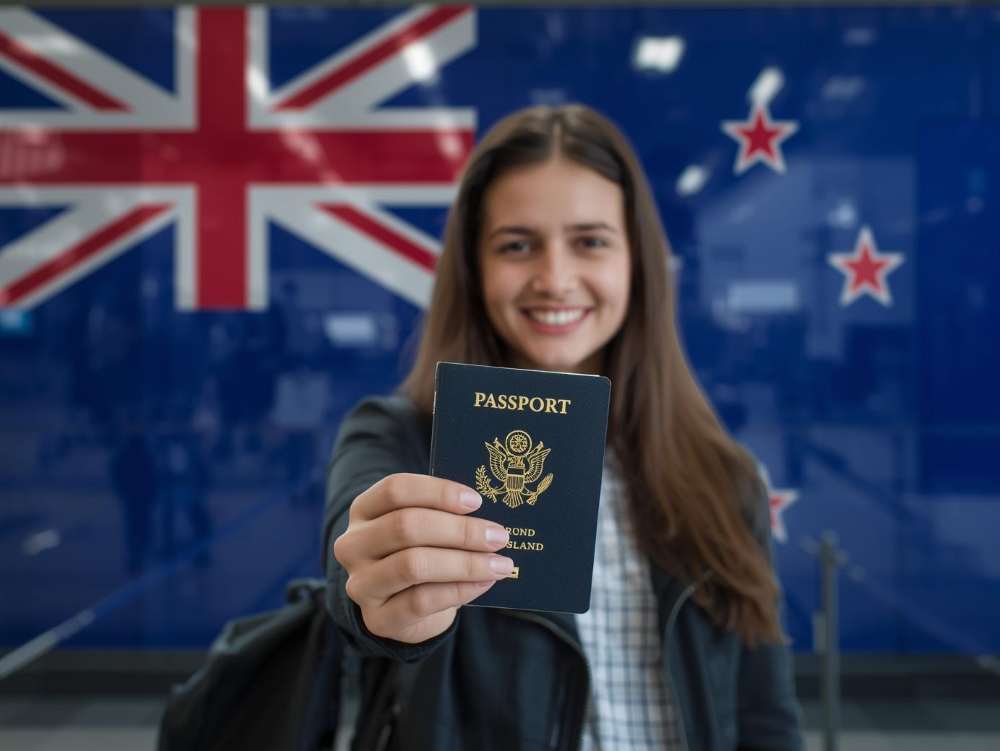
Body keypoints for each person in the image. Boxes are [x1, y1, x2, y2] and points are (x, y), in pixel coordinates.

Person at [325, 104, 803, 750]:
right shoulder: (399, 440)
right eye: (516, 245)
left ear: (637, 262)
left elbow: (766, 723)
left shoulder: (727, 479)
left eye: (590, 241)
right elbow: (355, 575)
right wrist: (384, 597)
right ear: (474, 267)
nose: (554, 279)